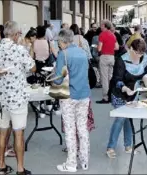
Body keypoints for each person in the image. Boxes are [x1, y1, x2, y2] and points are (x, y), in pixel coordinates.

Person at [0, 21, 36, 175]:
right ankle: (20, 169)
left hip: (0, 98)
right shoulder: (20, 50)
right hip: (17, 98)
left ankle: (1, 167)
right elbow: (33, 67)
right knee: (18, 133)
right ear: (16, 34)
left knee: (2, 132)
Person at [54, 29, 91, 172]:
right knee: (82, 128)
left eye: (58, 42)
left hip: (69, 96)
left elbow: (58, 79)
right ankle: (85, 161)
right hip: (84, 94)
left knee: (70, 129)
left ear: (63, 41)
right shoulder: (82, 52)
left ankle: (71, 163)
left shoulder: (63, 54)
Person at [106, 39, 147, 158]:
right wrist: (125, 89)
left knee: (129, 119)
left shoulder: (144, 57)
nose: (139, 56)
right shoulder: (121, 60)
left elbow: (146, 73)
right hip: (120, 92)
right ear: (131, 49)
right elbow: (117, 79)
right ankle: (110, 147)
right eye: (137, 53)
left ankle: (128, 146)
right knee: (121, 118)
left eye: (141, 54)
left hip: (134, 92)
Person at [96, 20, 119, 104]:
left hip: (104, 57)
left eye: (101, 25)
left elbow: (99, 48)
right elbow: (117, 47)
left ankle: (106, 97)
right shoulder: (113, 35)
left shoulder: (102, 34)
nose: (100, 27)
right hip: (112, 57)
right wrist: (109, 48)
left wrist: (98, 47)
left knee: (104, 78)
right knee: (110, 77)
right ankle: (111, 95)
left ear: (105, 26)